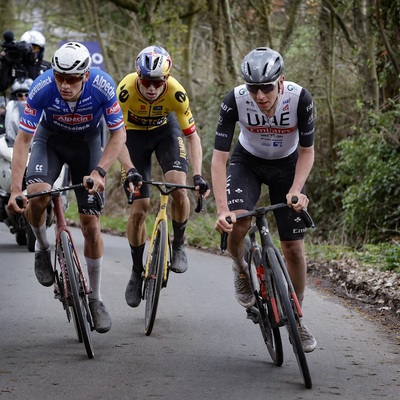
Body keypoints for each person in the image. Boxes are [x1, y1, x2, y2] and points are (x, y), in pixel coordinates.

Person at [7, 41, 126, 334]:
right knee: (37, 197)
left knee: (91, 226)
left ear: (85, 75)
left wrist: (100, 171)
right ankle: (42, 248)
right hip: (51, 142)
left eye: (72, 79)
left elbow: (118, 135)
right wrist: (14, 190)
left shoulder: (103, 85)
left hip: (87, 145)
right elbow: (23, 140)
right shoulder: (42, 86)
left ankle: (96, 299)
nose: (64, 84)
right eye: (60, 76)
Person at [211, 47, 316, 353]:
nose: (259, 96)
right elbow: (219, 159)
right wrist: (221, 209)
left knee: (294, 249)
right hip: (248, 162)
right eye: (253, 88)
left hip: (287, 164)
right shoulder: (234, 100)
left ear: (280, 81)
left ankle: (295, 317)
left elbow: (307, 152)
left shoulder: (300, 99)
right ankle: (241, 269)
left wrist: (298, 189)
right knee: (238, 223)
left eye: (266, 88)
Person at [117, 45, 210, 308]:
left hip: (164, 133)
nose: (152, 89)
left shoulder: (176, 94)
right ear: (138, 77)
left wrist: (198, 174)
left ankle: (179, 244)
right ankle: (137, 270)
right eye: (146, 82)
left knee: (179, 188)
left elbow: (191, 136)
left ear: (166, 80)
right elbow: (116, 137)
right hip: (132, 136)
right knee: (139, 208)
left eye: (158, 83)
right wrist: (130, 168)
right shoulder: (125, 90)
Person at [4, 77, 33, 145]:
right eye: (20, 95)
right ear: (15, 96)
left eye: (27, 95)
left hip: (34, 147)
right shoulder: (10, 108)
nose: (23, 98)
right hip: (13, 146)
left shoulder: (39, 110)